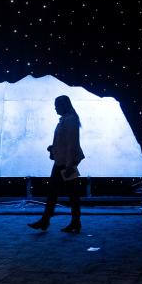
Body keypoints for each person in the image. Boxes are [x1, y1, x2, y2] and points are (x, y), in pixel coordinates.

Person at [29, 95, 85, 233]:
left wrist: (68, 165)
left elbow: (72, 144)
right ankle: (54, 221)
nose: (55, 108)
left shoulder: (70, 120)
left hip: (66, 162)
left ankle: (48, 221)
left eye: (57, 105)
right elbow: (65, 142)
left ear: (64, 105)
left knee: (66, 193)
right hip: (63, 161)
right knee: (65, 193)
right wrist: (53, 148)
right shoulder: (66, 120)